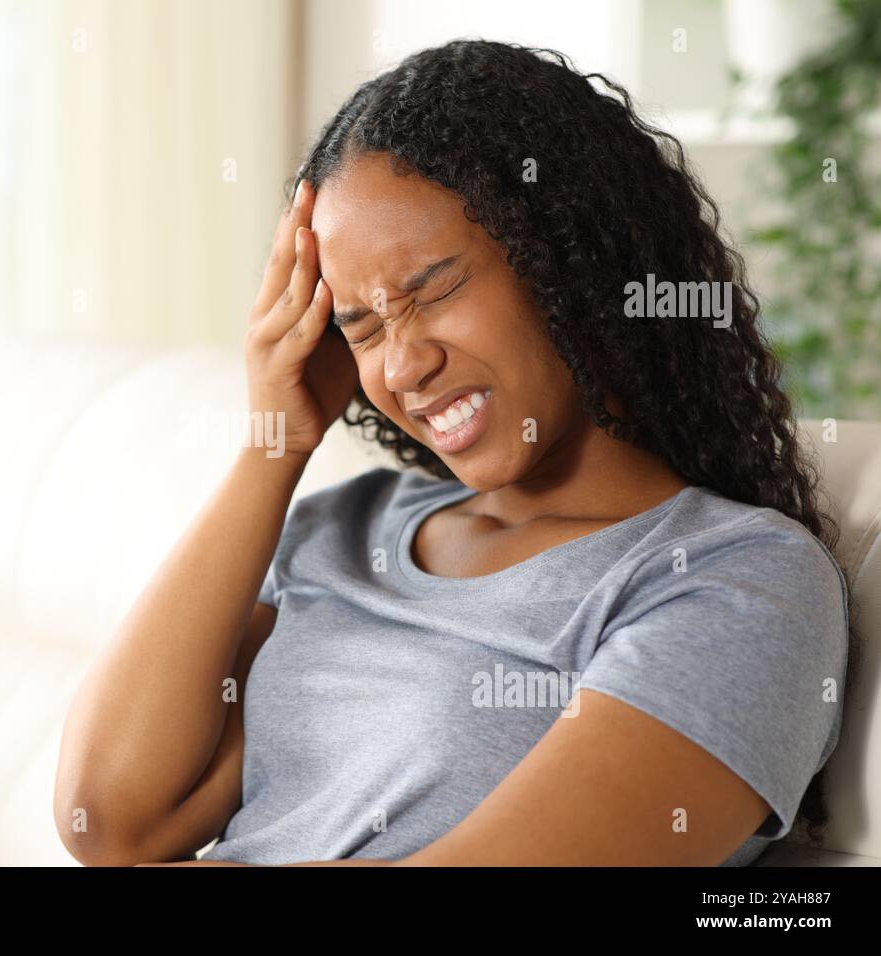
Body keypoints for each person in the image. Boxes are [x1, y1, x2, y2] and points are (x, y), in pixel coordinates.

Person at [54, 39, 853, 867]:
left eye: (432, 289)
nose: (402, 366)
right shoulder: (344, 528)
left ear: (567, 257)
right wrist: (275, 448)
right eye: (358, 327)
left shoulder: (734, 580)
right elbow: (110, 822)